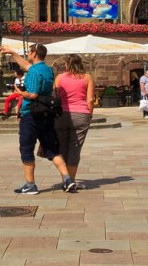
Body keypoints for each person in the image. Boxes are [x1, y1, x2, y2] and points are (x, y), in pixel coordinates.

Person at [9, 43, 72, 195]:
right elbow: (27, 66)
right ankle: (67, 178)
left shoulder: (33, 73)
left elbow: (33, 94)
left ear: (34, 54)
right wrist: (12, 53)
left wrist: (19, 92)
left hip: (31, 113)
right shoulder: (47, 69)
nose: (27, 55)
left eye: (29, 52)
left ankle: (30, 185)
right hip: (46, 113)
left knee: (26, 148)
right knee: (51, 147)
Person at [54, 54, 95, 192]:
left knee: (63, 147)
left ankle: (65, 180)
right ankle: (71, 181)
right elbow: (90, 100)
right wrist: (90, 114)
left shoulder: (59, 78)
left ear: (67, 64)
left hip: (61, 115)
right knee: (75, 149)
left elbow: (55, 97)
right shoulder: (87, 77)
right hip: (81, 115)